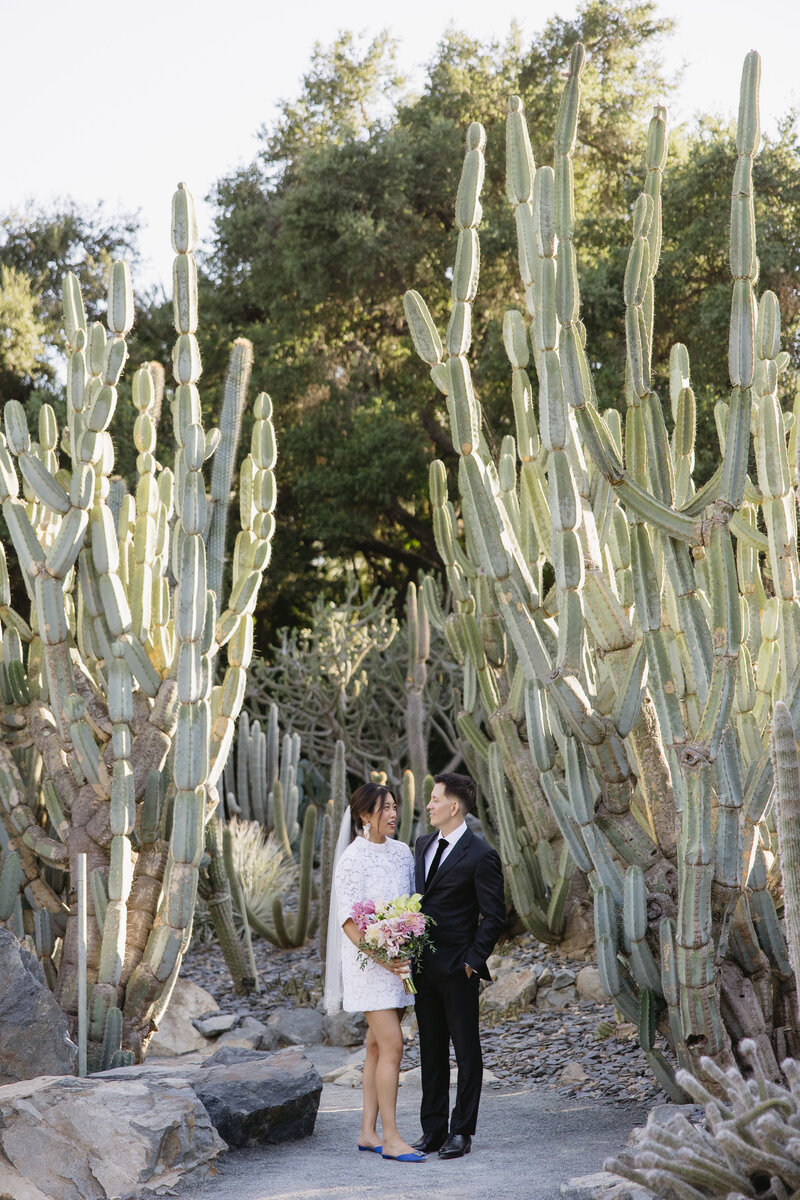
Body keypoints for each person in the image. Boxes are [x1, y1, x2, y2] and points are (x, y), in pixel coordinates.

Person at [324, 782, 426, 1163]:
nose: (393, 814)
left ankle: (368, 1133)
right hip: (369, 964)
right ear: (365, 815)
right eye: (384, 808)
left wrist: (405, 944)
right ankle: (393, 1137)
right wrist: (383, 958)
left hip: (400, 961)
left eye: (395, 807)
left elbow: (411, 907)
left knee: (375, 1047)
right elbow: (349, 922)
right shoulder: (352, 858)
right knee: (394, 1046)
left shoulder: (401, 853)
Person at [411, 772, 505, 1160]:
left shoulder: (481, 855)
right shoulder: (422, 844)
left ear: (454, 806)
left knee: (467, 1054)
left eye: (434, 799)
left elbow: (494, 916)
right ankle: (432, 1131)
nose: (428, 805)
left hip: (457, 969)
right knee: (430, 1053)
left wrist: (471, 962)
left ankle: (461, 1132)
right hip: (422, 969)